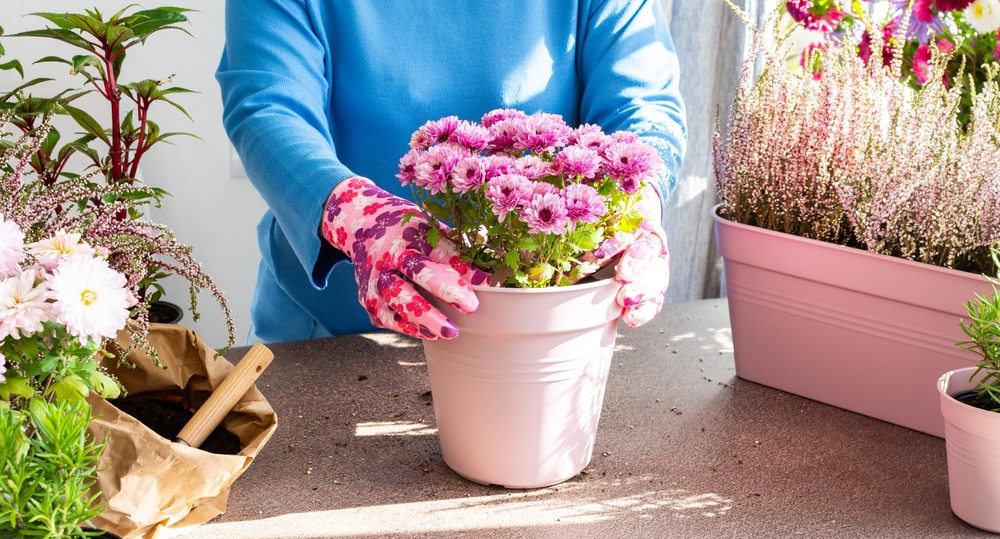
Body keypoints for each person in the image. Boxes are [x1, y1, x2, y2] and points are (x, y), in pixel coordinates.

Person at [217, 0, 686, 344]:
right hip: (335, 330)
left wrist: (637, 201)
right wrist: (361, 217)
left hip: (541, 332)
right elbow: (268, 107)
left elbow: (643, 102)